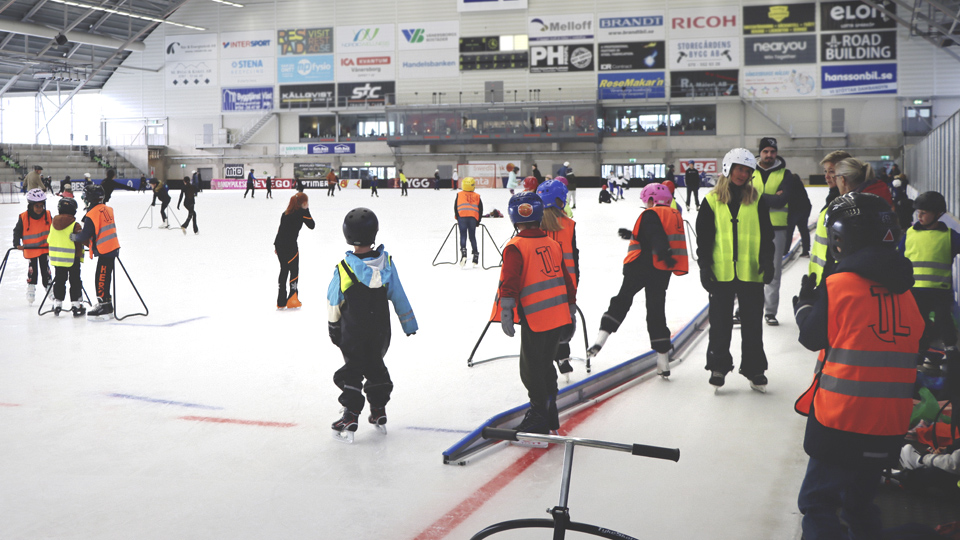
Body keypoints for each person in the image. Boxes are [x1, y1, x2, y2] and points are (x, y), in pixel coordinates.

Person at [793, 192, 922, 540]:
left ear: (841, 239)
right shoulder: (907, 294)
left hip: (841, 421)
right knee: (860, 504)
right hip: (890, 423)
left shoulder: (840, 286)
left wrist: (804, 306)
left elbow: (811, 336)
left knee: (819, 503)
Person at [327, 207, 418, 443]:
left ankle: (350, 415)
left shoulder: (344, 268)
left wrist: (333, 327)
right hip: (380, 333)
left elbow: (334, 301)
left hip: (353, 332)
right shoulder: (386, 264)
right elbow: (399, 295)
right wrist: (409, 323)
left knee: (353, 370)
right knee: (376, 366)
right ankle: (378, 410)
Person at [496, 192, 577, 438]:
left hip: (536, 318)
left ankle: (539, 414)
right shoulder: (553, 244)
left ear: (514, 219)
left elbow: (509, 282)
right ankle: (550, 408)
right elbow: (567, 280)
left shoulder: (515, 246)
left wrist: (506, 310)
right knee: (546, 363)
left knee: (530, 369)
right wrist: (570, 307)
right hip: (558, 315)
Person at [588, 183, 687, 378]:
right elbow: (655, 234)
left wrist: (663, 251)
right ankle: (663, 361)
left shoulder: (651, 214)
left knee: (622, 299)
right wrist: (633, 236)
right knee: (656, 312)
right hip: (661, 271)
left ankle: (602, 337)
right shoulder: (674, 214)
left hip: (640, 266)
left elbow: (657, 236)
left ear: (651, 200)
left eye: (646, 201)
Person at [696, 148, 775, 392]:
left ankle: (755, 369)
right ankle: (718, 367)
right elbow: (704, 238)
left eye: (748, 170)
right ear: (728, 169)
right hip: (721, 273)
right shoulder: (711, 200)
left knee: (752, 324)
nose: (743, 174)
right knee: (720, 324)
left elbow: (767, 234)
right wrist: (704, 265)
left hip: (751, 272)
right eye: (739, 168)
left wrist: (767, 260)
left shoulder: (757, 199)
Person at [900, 191, 960, 370]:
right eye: (918, 212)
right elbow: (898, 257)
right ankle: (918, 352)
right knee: (918, 322)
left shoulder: (949, 235)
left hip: (940, 291)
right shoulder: (910, 233)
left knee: (944, 320)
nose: (919, 215)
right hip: (915, 291)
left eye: (924, 212)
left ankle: (951, 352)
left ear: (938, 214)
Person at [537, 180, 580, 374]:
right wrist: (575, 281)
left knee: (544, 324)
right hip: (565, 285)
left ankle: (546, 359)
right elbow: (575, 256)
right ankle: (562, 358)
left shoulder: (532, 225)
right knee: (563, 321)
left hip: (538, 285)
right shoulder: (569, 225)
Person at [752, 137, 794, 326]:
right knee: (749, 269)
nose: (769, 155)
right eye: (765, 151)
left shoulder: (785, 174)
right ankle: (745, 307)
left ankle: (770, 312)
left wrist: (755, 196)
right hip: (751, 227)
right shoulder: (749, 171)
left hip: (777, 228)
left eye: (772, 152)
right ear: (760, 153)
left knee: (774, 272)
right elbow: (741, 196)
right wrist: (770, 197)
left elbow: (781, 201)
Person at [71, 184, 120, 318]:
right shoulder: (108, 209)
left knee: (101, 278)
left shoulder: (91, 214)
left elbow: (85, 235)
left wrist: (74, 237)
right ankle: (107, 303)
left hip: (105, 249)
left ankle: (104, 305)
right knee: (105, 276)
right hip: (113, 247)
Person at [808, 150, 852, 286]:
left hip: (833, 281)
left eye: (831, 171)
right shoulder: (831, 200)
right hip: (822, 279)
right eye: (825, 171)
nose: (826, 176)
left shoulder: (846, 205)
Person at [274, 192, 314, 310]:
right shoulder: (301, 214)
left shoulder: (285, 213)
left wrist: (276, 246)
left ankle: (281, 301)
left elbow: (280, 230)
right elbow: (312, 225)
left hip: (279, 244)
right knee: (294, 271)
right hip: (290, 246)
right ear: (303, 203)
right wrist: (306, 210)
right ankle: (292, 298)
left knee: (284, 269)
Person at [12, 188, 52, 304]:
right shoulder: (24, 217)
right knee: (32, 270)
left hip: (44, 248)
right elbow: (17, 231)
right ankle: (31, 286)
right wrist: (16, 243)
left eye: (41, 206)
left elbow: (54, 229)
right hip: (31, 249)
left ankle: (49, 287)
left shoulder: (48, 215)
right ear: (31, 206)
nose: (39, 209)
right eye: (37, 206)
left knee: (46, 269)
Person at [48, 197, 85, 317]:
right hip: (72, 258)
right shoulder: (75, 225)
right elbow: (81, 239)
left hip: (58, 259)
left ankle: (57, 303)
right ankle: (76, 304)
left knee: (59, 280)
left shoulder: (53, 224)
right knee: (74, 280)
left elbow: (49, 239)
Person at [454, 177, 483, 267]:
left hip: (462, 217)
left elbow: (455, 207)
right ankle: (475, 254)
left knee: (463, 236)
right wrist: (478, 221)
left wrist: (457, 217)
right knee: (472, 236)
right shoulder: (477, 196)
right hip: (473, 218)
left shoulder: (459, 194)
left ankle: (463, 253)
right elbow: (480, 209)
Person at [785, 173, 813, 257]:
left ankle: (785, 250)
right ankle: (806, 250)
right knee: (804, 230)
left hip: (794, 211)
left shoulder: (789, 188)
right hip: (804, 210)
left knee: (789, 231)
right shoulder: (801, 188)